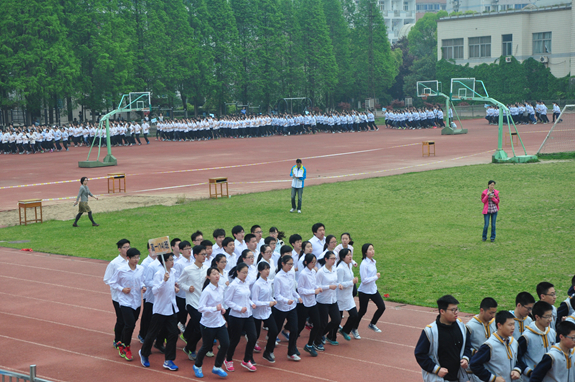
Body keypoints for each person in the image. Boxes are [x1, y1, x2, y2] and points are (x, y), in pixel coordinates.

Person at [415, 295, 472, 382]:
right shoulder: (430, 331)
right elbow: (420, 354)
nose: (456, 312)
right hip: (439, 378)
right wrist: (436, 369)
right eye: (452, 310)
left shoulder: (461, 326)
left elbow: (467, 345)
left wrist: (466, 358)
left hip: (459, 377)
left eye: (457, 309)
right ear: (442, 311)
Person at [139, 252, 180, 371]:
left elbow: (170, 289)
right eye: (170, 260)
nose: (173, 262)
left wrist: (174, 288)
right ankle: (144, 353)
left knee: (173, 334)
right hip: (160, 309)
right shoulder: (159, 274)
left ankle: (169, 360)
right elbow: (155, 291)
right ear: (164, 261)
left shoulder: (173, 272)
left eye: (173, 259)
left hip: (171, 308)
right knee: (152, 334)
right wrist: (164, 281)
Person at [108, 248, 146, 361]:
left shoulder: (141, 269)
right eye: (134, 257)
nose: (136, 260)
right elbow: (112, 282)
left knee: (131, 324)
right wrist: (122, 289)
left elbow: (141, 280)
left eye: (138, 257)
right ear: (128, 258)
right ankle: (126, 348)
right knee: (130, 325)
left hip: (137, 302)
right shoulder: (121, 270)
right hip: (125, 302)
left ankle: (121, 342)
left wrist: (143, 286)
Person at [192, 267, 229, 378]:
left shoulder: (221, 288)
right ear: (208, 277)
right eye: (213, 274)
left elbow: (219, 303)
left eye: (218, 273)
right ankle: (197, 365)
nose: (216, 276)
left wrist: (222, 309)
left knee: (226, 344)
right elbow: (200, 308)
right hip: (208, 324)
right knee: (206, 346)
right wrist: (214, 309)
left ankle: (217, 366)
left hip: (219, 322)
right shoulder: (207, 291)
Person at [470, 310, 521, 382]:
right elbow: (474, 364)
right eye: (510, 325)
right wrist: (492, 378)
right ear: (499, 325)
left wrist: (517, 370)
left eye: (514, 324)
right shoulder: (489, 346)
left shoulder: (514, 342)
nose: (513, 328)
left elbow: (519, 360)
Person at [224, 262, 258, 372]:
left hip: (248, 315)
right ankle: (228, 360)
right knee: (235, 339)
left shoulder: (246, 283)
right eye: (243, 272)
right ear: (237, 272)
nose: (245, 275)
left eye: (247, 273)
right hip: (236, 316)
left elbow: (246, 297)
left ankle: (246, 360)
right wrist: (239, 308)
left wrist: (251, 303)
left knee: (253, 337)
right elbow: (227, 301)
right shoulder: (233, 285)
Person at [179, 245, 208, 361]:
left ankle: (188, 345)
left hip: (203, 302)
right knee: (201, 326)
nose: (205, 256)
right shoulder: (188, 269)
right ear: (195, 255)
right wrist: (187, 288)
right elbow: (180, 283)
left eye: (205, 254)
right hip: (192, 302)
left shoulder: (207, 269)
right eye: (203, 254)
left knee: (200, 327)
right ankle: (191, 347)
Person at [273, 255, 302, 361]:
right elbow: (277, 295)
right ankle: (269, 350)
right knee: (275, 330)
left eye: (292, 264)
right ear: (283, 264)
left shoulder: (291, 274)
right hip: (281, 308)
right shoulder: (278, 277)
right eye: (289, 264)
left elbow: (292, 289)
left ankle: (291, 352)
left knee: (294, 329)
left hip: (292, 307)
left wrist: (298, 297)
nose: (291, 266)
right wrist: (286, 300)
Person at [517, 301, 556, 379]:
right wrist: (529, 372)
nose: (550, 320)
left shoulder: (552, 332)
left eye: (551, 316)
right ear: (537, 317)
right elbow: (517, 357)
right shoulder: (526, 337)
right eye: (547, 317)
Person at [353, 243, 386, 336]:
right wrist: (375, 277)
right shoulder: (364, 264)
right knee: (362, 311)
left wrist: (374, 278)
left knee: (382, 307)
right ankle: (354, 328)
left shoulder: (373, 261)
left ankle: (372, 324)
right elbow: (364, 280)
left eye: (373, 249)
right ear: (365, 252)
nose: (372, 251)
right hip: (364, 291)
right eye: (370, 249)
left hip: (373, 289)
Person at [103, 239, 130, 349]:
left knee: (130, 319)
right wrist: (120, 288)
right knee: (121, 319)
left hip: (130, 296)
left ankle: (124, 337)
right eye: (125, 247)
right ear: (119, 249)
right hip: (118, 297)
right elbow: (107, 279)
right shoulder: (114, 264)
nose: (127, 249)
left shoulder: (131, 261)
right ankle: (118, 339)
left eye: (128, 247)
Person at [252, 261, 279, 363]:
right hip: (257, 313)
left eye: (268, 269)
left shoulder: (268, 282)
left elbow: (269, 295)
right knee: (255, 336)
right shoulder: (257, 284)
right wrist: (268, 303)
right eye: (265, 269)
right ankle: (249, 357)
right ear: (259, 271)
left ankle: (267, 352)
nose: (267, 271)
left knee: (274, 331)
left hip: (267, 312)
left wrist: (273, 299)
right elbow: (255, 301)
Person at [296, 253, 322, 357]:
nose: (314, 264)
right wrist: (313, 291)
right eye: (312, 262)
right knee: (300, 326)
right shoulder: (303, 274)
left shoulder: (312, 272)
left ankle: (310, 345)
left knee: (318, 324)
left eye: (315, 262)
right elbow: (300, 289)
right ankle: (292, 344)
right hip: (304, 304)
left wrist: (318, 288)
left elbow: (314, 284)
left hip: (312, 303)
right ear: (306, 262)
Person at [315, 251, 342, 347]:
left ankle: (320, 335)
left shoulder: (334, 269)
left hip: (333, 299)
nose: (334, 261)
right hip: (323, 300)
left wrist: (339, 285)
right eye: (332, 259)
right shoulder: (321, 272)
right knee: (323, 322)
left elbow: (336, 281)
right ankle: (317, 342)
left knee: (337, 320)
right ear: (326, 259)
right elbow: (317, 285)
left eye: (335, 258)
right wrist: (328, 287)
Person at [336, 248, 359, 342]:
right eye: (348, 255)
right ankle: (329, 336)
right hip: (341, 296)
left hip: (348, 296)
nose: (350, 256)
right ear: (342, 257)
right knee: (337, 320)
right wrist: (352, 282)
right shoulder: (340, 268)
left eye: (351, 254)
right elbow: (339, 284)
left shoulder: (349, 265)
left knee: (354, 315)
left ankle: (345, 330)